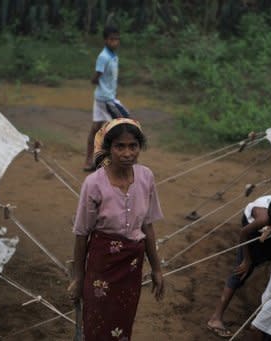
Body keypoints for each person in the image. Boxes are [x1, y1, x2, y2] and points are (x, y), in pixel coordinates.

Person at [68, 118, 164, 341]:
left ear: (140, 148)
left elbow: (147, 226)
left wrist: (157, 269)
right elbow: (82, 234)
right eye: (120, 146)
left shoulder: (146, 177)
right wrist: (78, 277)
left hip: (132, 266)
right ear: (108, 148)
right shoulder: (93, 184)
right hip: (102, 266)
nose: (127, 153)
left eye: (133, 146)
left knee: (122, 323)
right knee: (96, 322)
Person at [207, 195, 271, 337]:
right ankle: (215, 318)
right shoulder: (262, 219)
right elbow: (243, 233)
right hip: (251, 232)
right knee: (241, 272)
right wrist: (247, 260)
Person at [84, 25, 130, 172]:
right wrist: (105, 89)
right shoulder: (103, 57)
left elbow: (111, 79)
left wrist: (111, 91)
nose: (115, 42)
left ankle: (89, 161)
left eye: (117, 39)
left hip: (104, 97)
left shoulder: (113, 56)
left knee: (96, 129)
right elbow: (95, 77)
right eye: (111, 39)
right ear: (105, 40)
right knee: (125, 125)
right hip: (105, 99)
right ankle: (113, 163)